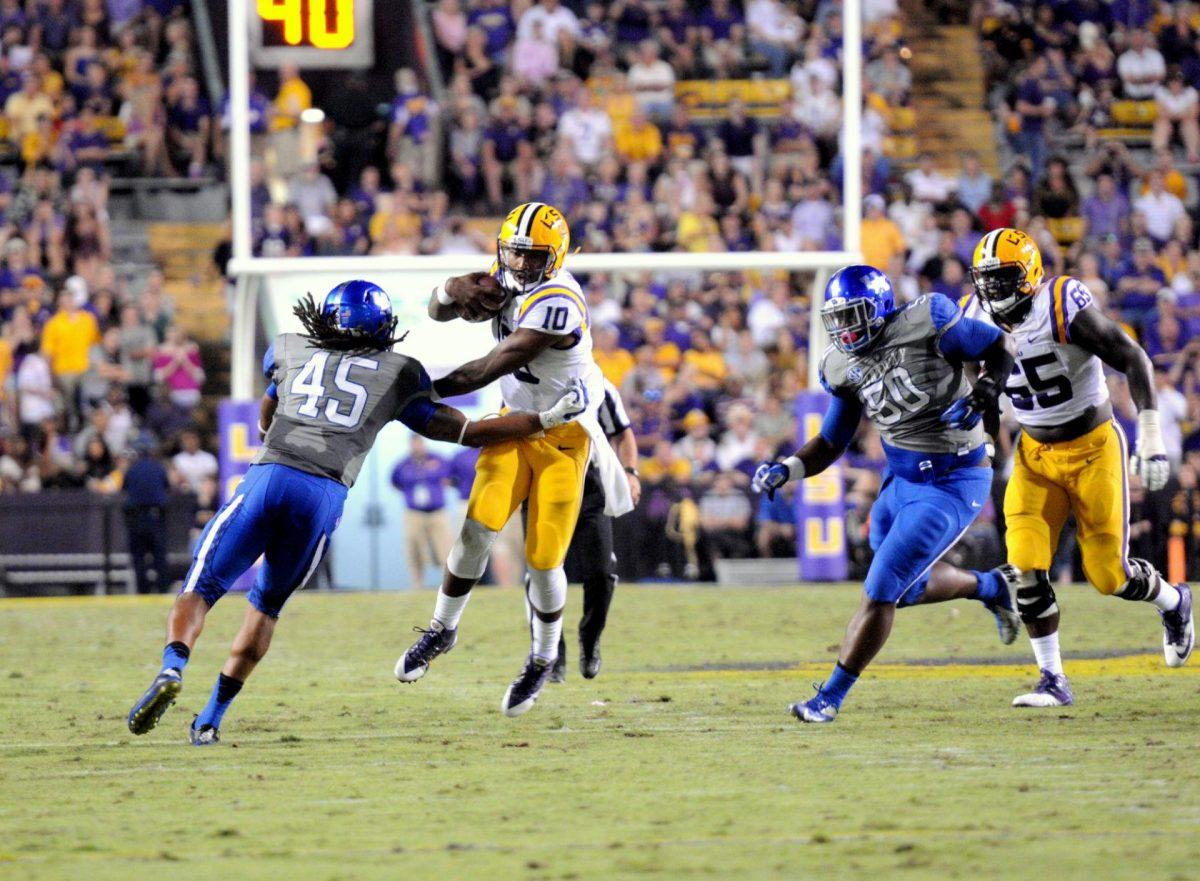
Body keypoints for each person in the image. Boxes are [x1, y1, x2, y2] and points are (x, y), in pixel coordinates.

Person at [127, 280, 589, 745]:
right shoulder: (396, 372)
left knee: (201, 587)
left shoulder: (290, 347)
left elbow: (268, 409)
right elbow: (466, 432)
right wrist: (544, 419)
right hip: (323, 495)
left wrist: (274, 425)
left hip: (271, 475)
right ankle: (210, 718)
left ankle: (174, 665)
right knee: (265, 607)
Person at [397, 202, 634, 717]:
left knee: (545, 560)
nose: (520, 265)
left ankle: (543, 657)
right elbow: (436, 311)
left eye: (532, 256)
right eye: (514, 253)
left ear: (557, 257)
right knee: (475, 529)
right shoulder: (503, 281)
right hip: (513, 422)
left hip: (563, 434)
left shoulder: (559, 300)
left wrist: (416, 394)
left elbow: (487, 367)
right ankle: (442, 628)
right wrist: (450, 290)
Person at [752, 265, 1019, 723]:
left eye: (852, 315)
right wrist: (789, 468)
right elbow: (832, 439)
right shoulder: (842, 364)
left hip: (952, 481)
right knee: (905, 591)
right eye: (836, 318)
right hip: (899, 482)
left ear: (877, 308)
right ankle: (992, 585)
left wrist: (989, 389)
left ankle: (829, 698)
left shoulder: (927, 320)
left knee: (879, 591)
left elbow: (1000, 346)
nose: (844, 328)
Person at [962, 228, 1193, 707]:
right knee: (1026, 565)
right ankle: (1053, 678)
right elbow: (980, 383)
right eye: (985, 281)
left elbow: (1132, 357)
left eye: (1002, 279)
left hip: (1092, 448)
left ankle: (1175, 601)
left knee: (1108, 576)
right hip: (1035, 455)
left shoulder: (1061, 304)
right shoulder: (975, 316)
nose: (992, 292)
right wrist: (987, 441)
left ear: (1028, 276)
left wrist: (1149, 433)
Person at [529, 378, 640, 682]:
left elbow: (622, 432)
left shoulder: (597, 383)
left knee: (602, 573)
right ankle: (550, 655)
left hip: (589, 486)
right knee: (543, 573)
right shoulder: (523, 379)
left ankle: (590, 639)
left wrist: (631, 472)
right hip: (541, 485)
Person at [391, 435, 452, 590]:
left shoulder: (438, 459)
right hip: (414, 513)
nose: (417, 446)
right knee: (414, 549)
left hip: (437, 512)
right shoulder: (402, 464)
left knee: (445, 549)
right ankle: (417, 585)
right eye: (414, 444)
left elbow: (449, 479)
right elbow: (395, 483)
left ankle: (450, 586)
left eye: (419, 443)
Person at [123, 438, 171, 594]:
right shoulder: (159, 468)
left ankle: (142, 591)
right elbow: (166, 487)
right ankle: (162, 589)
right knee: (159, 558)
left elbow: (124, 489)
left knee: (139, 558)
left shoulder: (132, 469)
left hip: (136, 518)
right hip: (155, 517)